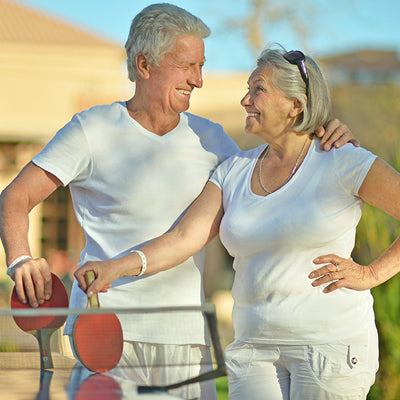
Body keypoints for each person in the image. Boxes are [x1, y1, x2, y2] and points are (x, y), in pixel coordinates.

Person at [1, 3, 354, 398]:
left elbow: (278, 171)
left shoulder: (213, 140)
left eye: (201, 67)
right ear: (145, 64)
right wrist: (20, 260)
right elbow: (16, 196)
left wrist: (320, 134)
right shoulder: (91, 130)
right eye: (187, 66)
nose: (198, 80)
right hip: (105, 332)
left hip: (187, 338)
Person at [75, 44, 400, 400]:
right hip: (254, 350)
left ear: (296, 105)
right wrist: (114, 267)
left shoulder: (341, 160)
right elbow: (183, 237)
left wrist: (371, 275)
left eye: (258, 89)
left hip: (329, 347)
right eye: (247, 89)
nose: (245, 100)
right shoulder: (234, 170)